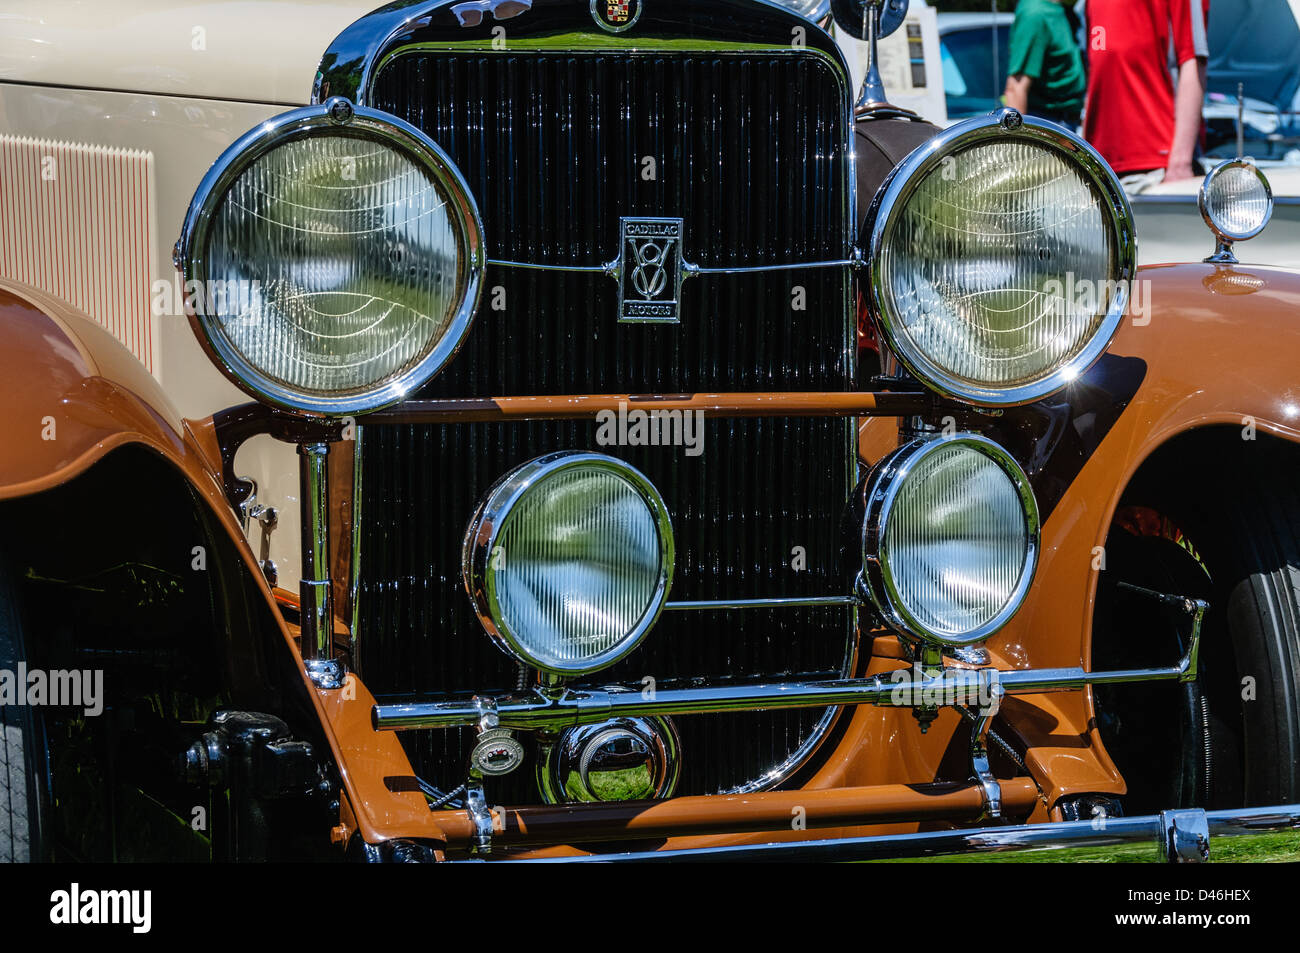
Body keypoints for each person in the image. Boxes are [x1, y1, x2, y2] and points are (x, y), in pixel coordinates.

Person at [1083, 0, 1210, 185]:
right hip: (1100, 165)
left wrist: (1180, 164)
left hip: (1158, 165)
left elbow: (1192, 59)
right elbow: (1096, 70)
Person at [1003, 0, 1088, 128]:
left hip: (1069, 122)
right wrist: (1022, 142)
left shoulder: (1066, 12)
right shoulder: (1035, 14)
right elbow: (1016, 88)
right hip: (1047, 125)